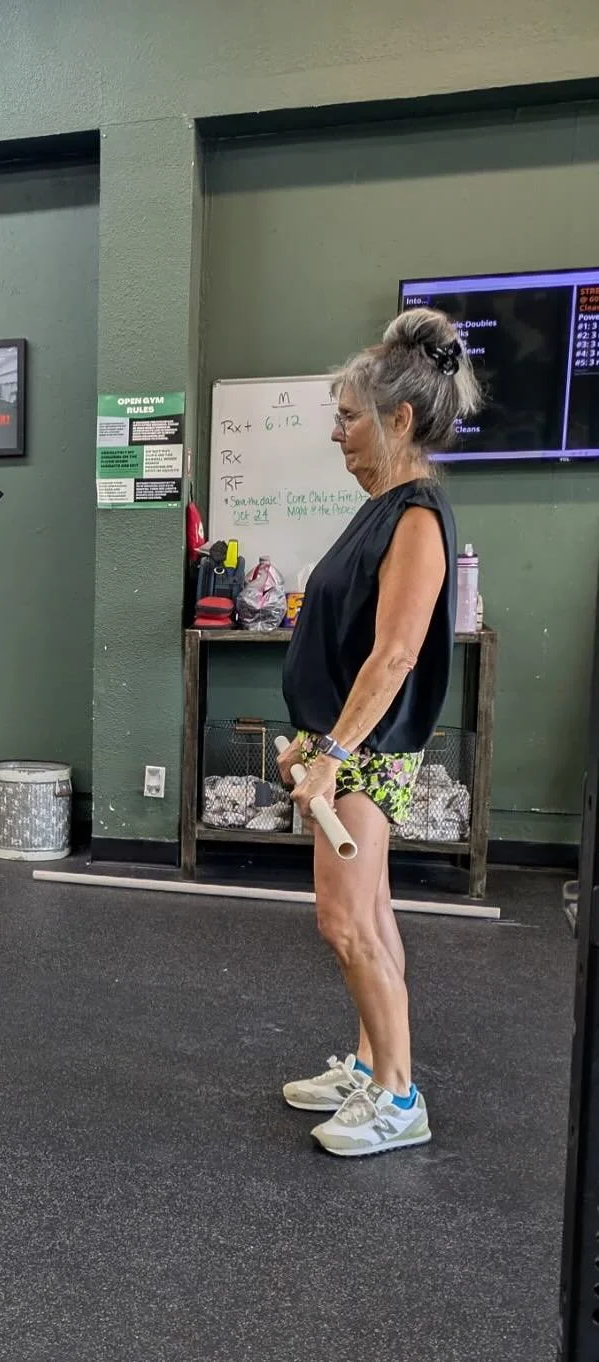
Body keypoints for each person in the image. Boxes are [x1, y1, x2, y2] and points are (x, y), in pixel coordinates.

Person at [277, 307, 481, 1156]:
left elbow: (395, 656)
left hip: (365, 754)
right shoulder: (384, 507)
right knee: (371, 913)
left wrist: (330, 756)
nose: (337, 433)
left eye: (350, 417)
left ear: (400, 421)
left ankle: (399, 1098)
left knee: (344, 922)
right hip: (346, 747)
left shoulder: (418, 518)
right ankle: (371, 1068)